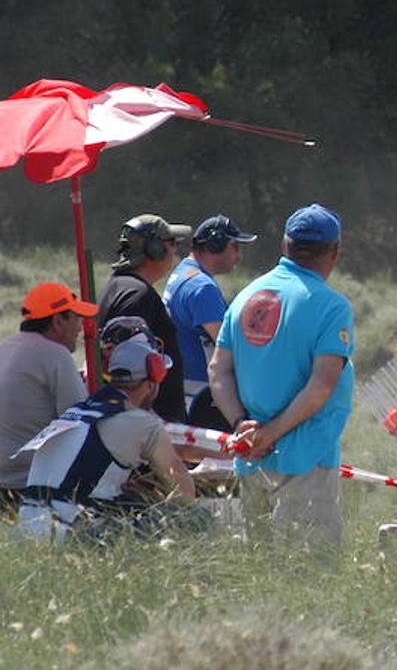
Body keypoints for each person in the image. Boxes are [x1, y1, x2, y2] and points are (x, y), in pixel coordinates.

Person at [208, 204, 355, 549]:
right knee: (308, 573)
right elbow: (320, 387)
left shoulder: (245, 296)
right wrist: (271, 434)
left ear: (285, 246)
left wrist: (242, 424)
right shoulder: (332, 306)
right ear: (334, 252)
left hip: (250, 457)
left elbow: (218, 369)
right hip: (305, 459)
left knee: (261, 567)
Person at [15, 337, 198, 544]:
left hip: (28, 528)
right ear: (153, 378)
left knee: (131, 502)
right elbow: (182, 488)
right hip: (71, 532)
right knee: (196, 519)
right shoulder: (142, 423)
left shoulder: (77, 410)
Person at [0, 283, 98, 515]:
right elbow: (80, 425)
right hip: (27, 482)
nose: (81, 328)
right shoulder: (56, 355)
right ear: (57, 321)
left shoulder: (5, 347)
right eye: (76, 318)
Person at [96, 214, 192, 422]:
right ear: (155, 250)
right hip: (149, 422)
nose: (175, 250)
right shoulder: (137, 295)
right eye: (172, 243)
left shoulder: (121, 286)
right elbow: (129, 372)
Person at [165, 214, 257, 428]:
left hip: (183, 387)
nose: (239, 256)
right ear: (216, 245)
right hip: (200, 395)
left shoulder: (183, 272)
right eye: (235, 247)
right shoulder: (202, 288)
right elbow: (230, 347)